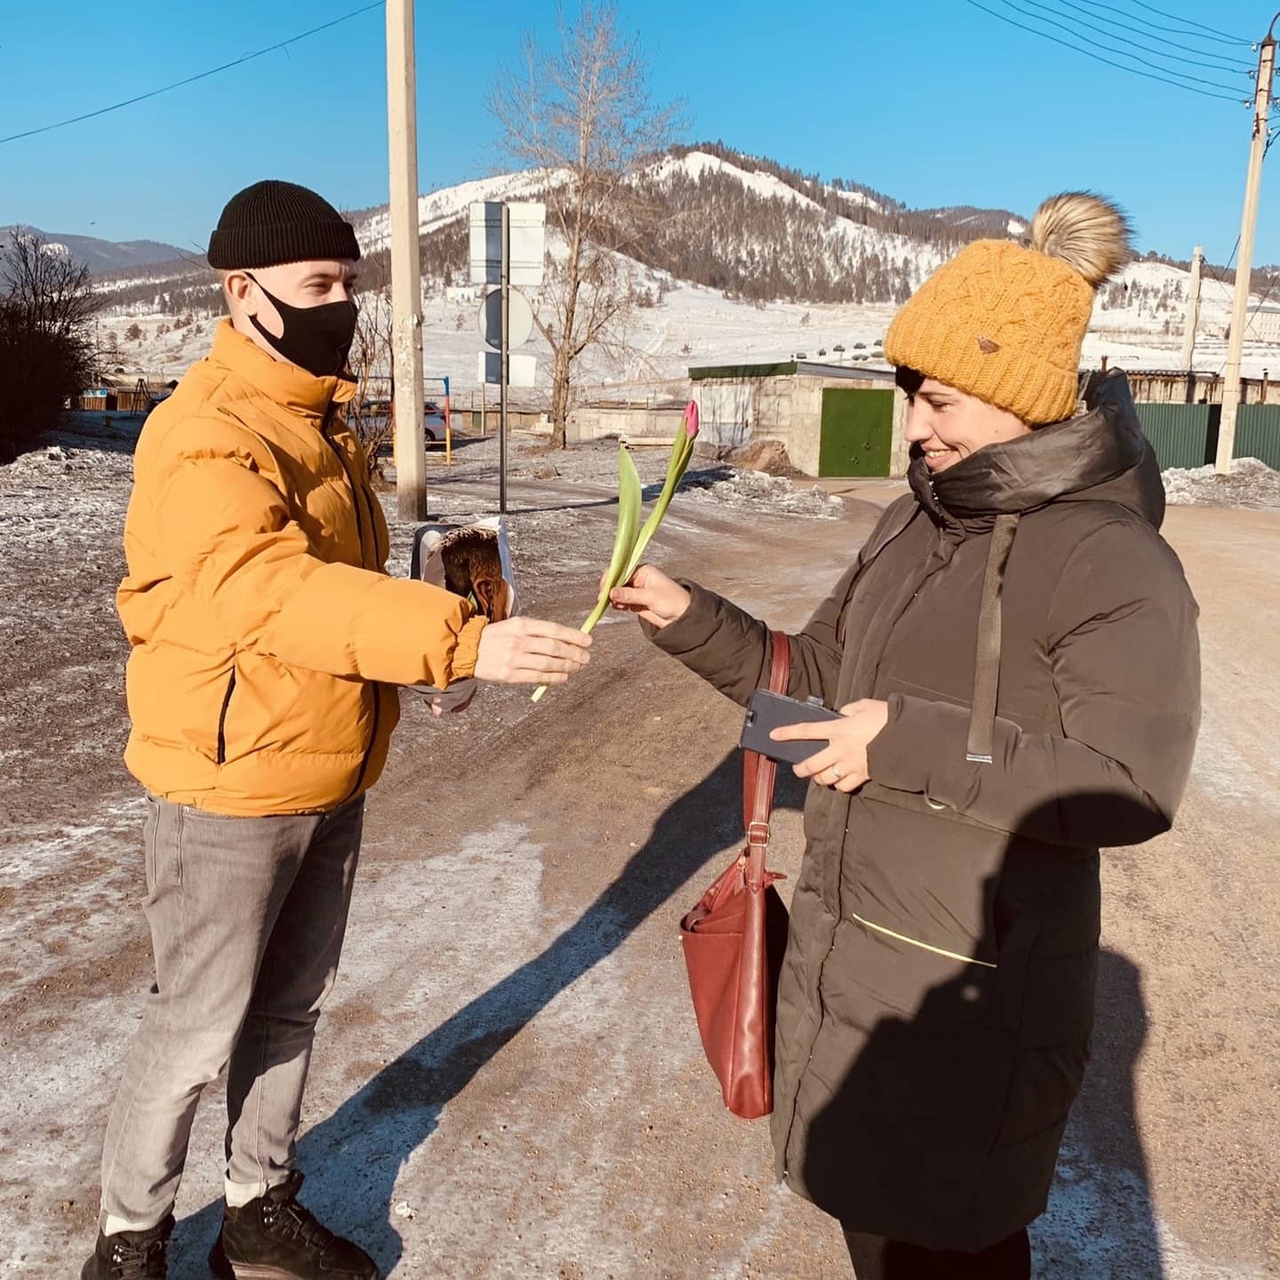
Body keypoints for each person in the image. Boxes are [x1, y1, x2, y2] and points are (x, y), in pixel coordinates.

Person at [610, 193, 1200, 1278]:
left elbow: (1131, 783)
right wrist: (690, 618)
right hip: (851, 975)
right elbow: (815, 685)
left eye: (937, 400)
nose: (915, 427)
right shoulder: (913, 522)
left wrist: (906, 743)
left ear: (1020, 396)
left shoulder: (1110, 558)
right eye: (910, 396)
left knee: (951, 1252)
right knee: (874, 1237)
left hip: (972, 1007)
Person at [81, 180, 592, 1280]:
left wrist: (429, 639)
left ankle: (257, 1209)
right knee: (193, 1030)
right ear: (242, 291)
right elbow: (267, 589)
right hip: (226, 786)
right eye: (317, 285)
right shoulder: (204, 434)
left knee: (289, 1013)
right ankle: (128, 1242)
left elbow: (347, 591)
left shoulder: (319, 422)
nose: (341, 307)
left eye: (348, 285)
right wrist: (455, 641)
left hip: (331, 767)